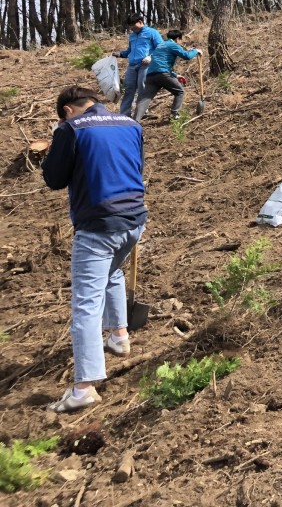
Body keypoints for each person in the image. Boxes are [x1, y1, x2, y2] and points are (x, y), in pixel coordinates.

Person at [41, 86, 147, 413]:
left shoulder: (71, 128)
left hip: (98, 226)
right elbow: (135, 167)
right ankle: (118, 335)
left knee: (85, 304)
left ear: (68, 110)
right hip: (135, 219)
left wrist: (59, 137)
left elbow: (54, 179)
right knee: (112, 272)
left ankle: (84, 387)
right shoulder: (130, 124)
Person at [133, 30, 201, 122]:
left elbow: (160, 63)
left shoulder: (160, 45)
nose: (181, 42)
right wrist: (196, 51)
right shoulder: (173, 45)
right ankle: (174, 115)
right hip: (162, 74)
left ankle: (134, 121)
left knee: (145, 98)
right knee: (180, 91)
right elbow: (187, 56)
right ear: (178, 39)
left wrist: (175, 75)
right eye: (181, 40)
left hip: (150, 75)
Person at [113, 13, 162, 117]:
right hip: (132, 66)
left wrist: (150, 57)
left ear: (140, 22)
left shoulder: (152, 33)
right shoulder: (132, 36)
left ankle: (142, 112)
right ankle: (124, 114)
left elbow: (161, 48)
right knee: (128, 89)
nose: (131, 28)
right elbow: (129, 50)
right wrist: (120, 54)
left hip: (145, 65)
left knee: (142, 88)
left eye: (133, 25)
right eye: (129, 26)